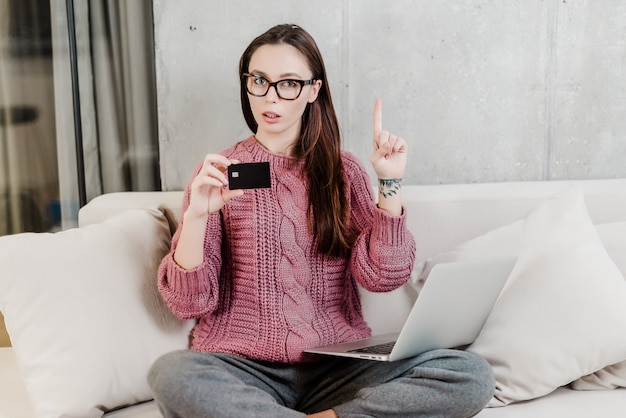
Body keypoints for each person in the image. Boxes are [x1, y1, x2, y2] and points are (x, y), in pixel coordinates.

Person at [148, 23, 495, 418]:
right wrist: (195, 217)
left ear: (313, 90)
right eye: (259, 81)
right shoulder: (217, 172)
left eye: (288, 84)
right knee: (172, 374)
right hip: (244, 368)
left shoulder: (342, 172)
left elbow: (385, 275)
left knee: (470, 374)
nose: (270, 96)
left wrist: (389, 183)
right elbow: (189, 301)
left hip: (337, 368)